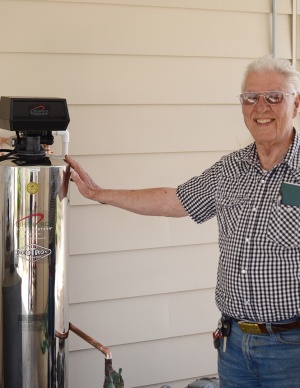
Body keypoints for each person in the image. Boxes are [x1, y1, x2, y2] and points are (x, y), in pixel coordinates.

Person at [66, 55, 300, 388]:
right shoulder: (230, 170)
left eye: (274, 96)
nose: (260, 107)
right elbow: (175, 200)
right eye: (250, 98)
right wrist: (100, 193)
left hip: (291, 350)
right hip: (233, 346)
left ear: (296, 104)